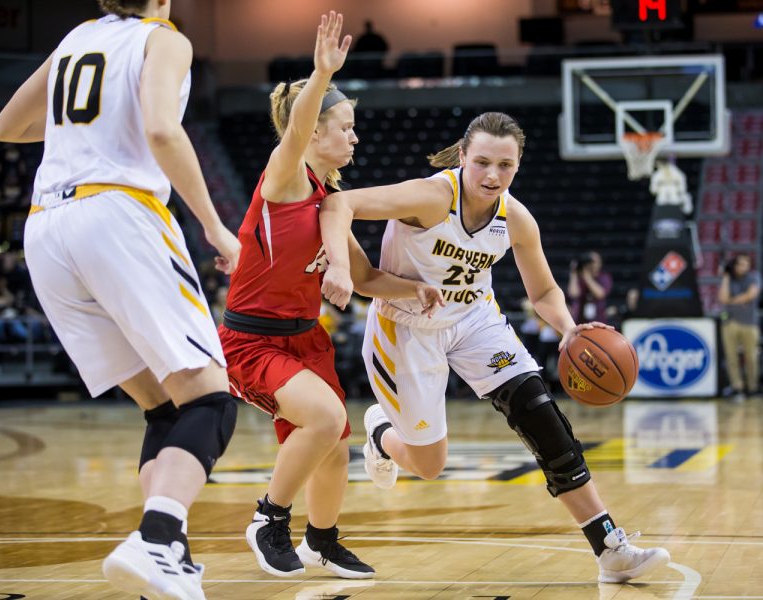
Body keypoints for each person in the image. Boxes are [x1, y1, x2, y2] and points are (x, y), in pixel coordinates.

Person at [319, 111, 670, 584]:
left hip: (473, 319)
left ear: (518, 165)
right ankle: (381, 431)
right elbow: (336, 205)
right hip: (406, 327)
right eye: (482, 162)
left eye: (505, 165)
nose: (492, 175)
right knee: (428, 465)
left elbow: (543, 293)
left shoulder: (516, 219)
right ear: (462, 157)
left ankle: (609, 547)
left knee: (538, 410)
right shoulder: (429, 197)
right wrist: (340, 267)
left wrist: (568, 329)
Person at [0, 1, 242, 598]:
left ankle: (169, 549)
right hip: (118, 213)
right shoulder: (165, 38)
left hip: (46, 227)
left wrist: (89, 129)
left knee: (163, 406)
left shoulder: (77, 36)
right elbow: (162, 130)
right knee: (211, 398)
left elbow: (7, 126)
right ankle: (156, 539)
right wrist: (213, 224)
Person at [217, 12, 443, 581]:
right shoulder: (285, 179)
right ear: (314, 130)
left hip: (305, 340)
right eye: (343, 126)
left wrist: (415, 288)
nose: (354, 135)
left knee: (335, 445)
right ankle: (269, 519)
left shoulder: (327, 201)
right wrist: (320, 76)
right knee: (325, 418)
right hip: (252, 341)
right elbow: (293, 134)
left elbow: (365, 280)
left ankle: (322, 539)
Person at [718, 255, 762, 401]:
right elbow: (722, 298)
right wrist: (725, 276)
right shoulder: (729, 279)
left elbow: (750, 296)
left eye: (746, 264)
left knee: (751, 357)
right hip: (730, 323)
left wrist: (731, 301)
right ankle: (737, 387)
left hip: (749, 323)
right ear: (734, 266)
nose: (744, 267)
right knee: (731, 357)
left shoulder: (754, 277)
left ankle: (752, 388)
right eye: (741, 264)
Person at [567, 251, 613, 324]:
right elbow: (574, 294)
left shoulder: (604, 277)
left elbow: (600, 294)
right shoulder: (579, 278)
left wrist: (587, 277)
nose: (591, 265)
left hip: (599, 321)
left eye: (594, 262)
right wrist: (574, 273)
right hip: (580, 320)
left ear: (600, 263)